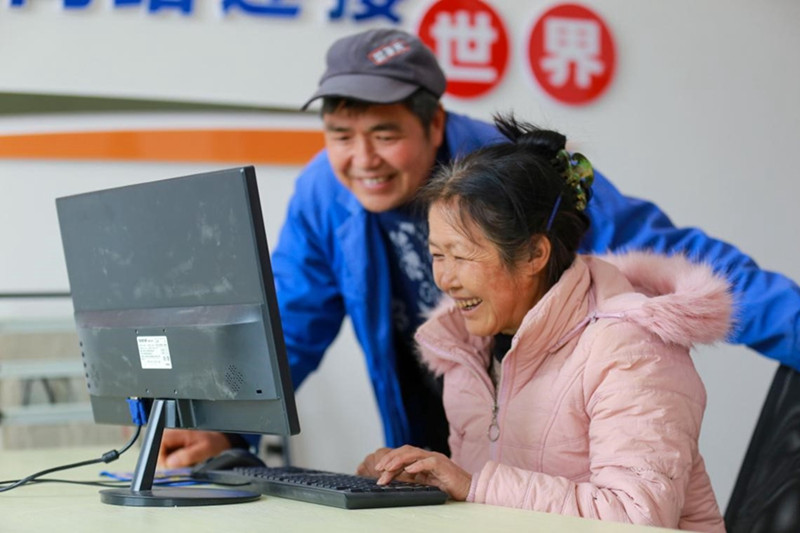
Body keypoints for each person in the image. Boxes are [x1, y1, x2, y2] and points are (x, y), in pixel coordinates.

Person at [158, 27, 800, 468]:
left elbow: (673, 257)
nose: (362, 160)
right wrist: (224, 425)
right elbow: (290, 326)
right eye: (340, 135)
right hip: (429, 434)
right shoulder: (324, 194)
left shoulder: (514, 174)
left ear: (434, 123)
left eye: (385, 133)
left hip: (545, 446)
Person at [357, 115, 727, 531]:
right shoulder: (465, 348)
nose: (444, 278)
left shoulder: (631, 348)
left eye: (461, 256)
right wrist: (417, 483)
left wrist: (470, 484)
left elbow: (635, 517)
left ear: (535, 253)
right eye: (437, 255)